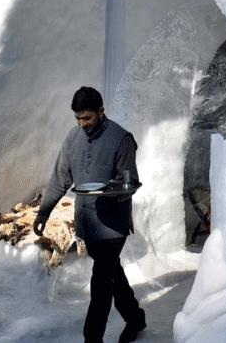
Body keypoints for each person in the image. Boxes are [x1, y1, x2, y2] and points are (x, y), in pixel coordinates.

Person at [34, 86, 147, 343]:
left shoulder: (121, 139)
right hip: (87, 223)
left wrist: (110, 192)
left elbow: (129, 183)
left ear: (101, 111)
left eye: (88, 118)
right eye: (78, 119)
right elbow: (60, 178)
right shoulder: (73, 139)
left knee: (100, 284)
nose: (83, 124)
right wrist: (43, 213)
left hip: (112, 226)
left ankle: (91, 340)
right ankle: (135, 318)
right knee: (111, 276)